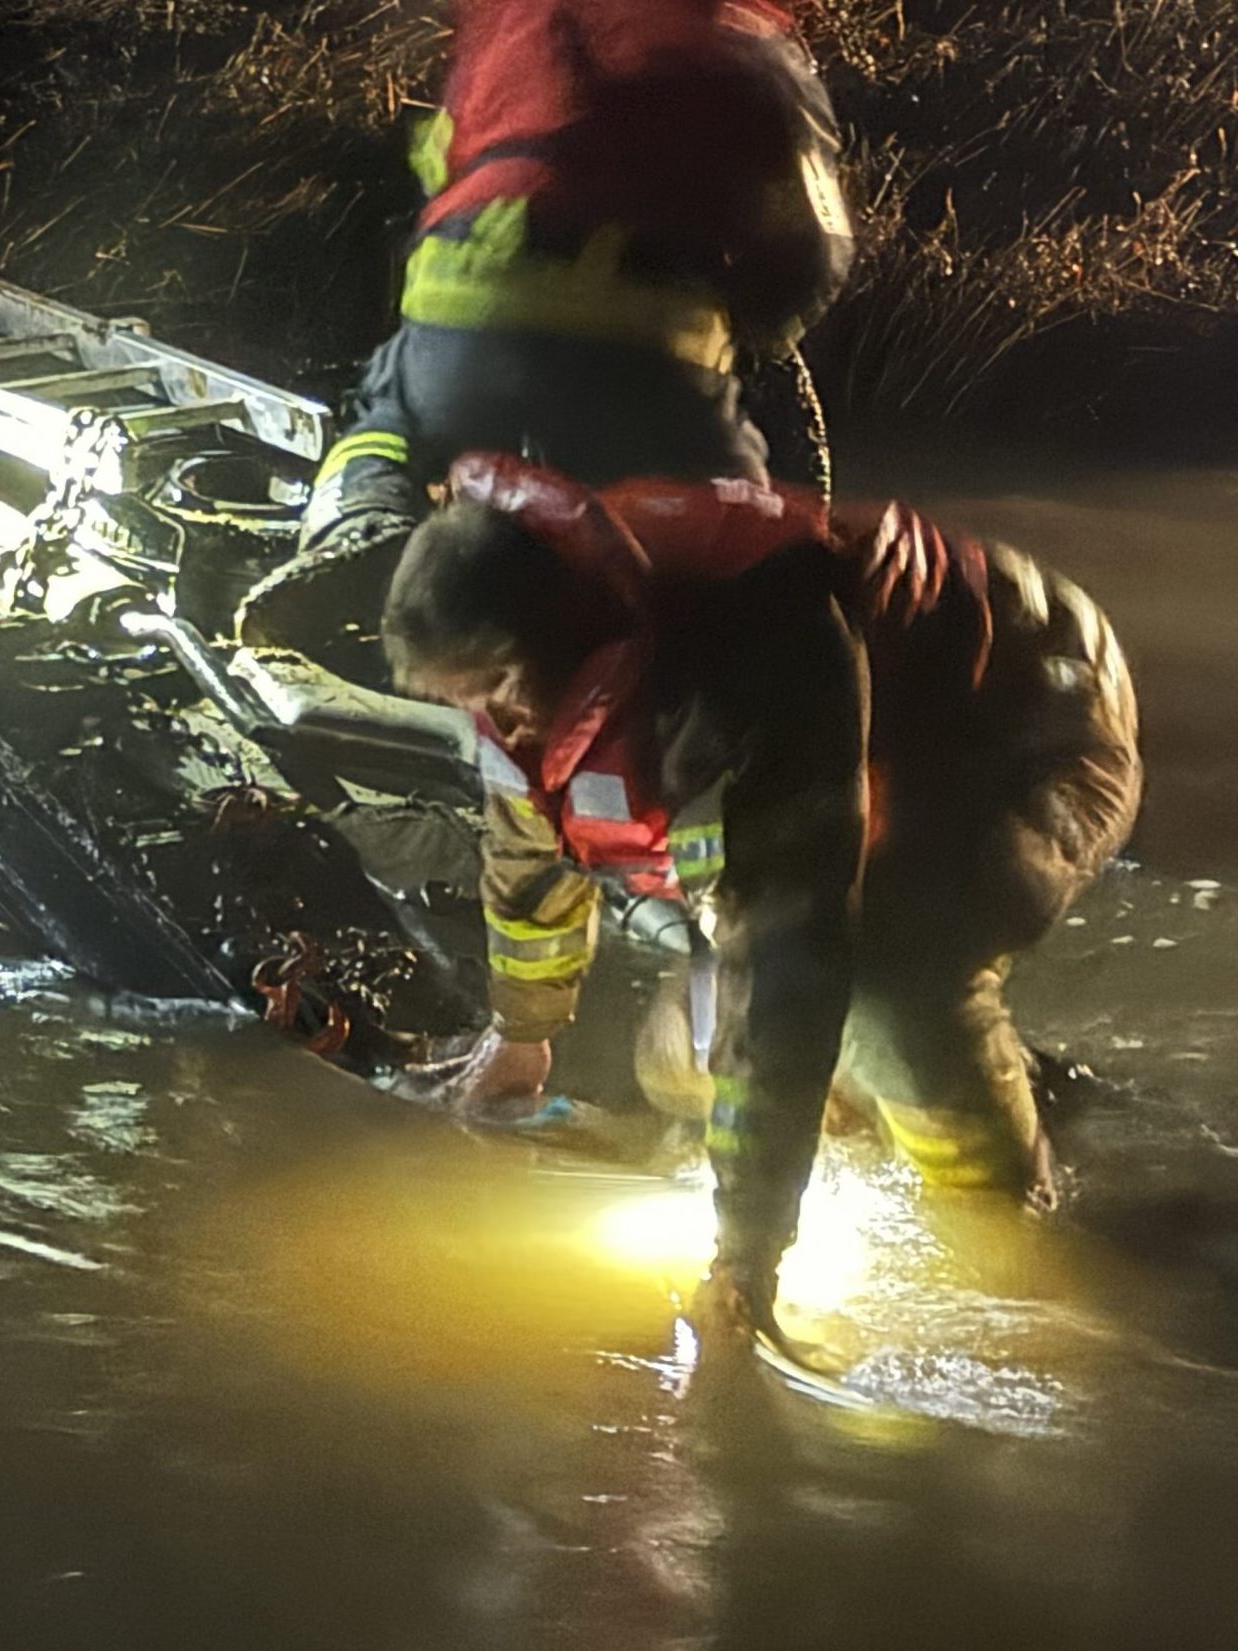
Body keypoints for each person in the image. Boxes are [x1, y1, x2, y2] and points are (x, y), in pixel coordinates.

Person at [382, 450, 1142, 1336]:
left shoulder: (755, 642)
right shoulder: (513, 671)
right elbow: (526, 849)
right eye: (471, 704)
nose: (499, 725)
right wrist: (519, 1034)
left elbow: (790, 953)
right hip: (860, 751)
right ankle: (949, 1087)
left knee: (885, 986)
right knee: (680, 1055)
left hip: (1027, 733)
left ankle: (1001, 1213)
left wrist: (745, 1259)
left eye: (502, 694)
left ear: (568, 629)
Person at [237, 0, 853, 658]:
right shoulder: (741, 34)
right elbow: (815, 250)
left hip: (464, 315)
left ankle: (362, 525)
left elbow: (442, 167)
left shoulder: (512, 19)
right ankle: (738, 682)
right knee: (730, 541)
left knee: (385, 424)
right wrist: (753, 332)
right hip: (646, 352)